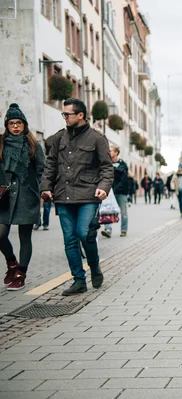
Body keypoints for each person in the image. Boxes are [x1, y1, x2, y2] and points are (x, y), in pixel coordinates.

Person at [40, 98, 113, 296]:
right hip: (63, 196)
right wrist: (45, 187)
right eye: (63, 114)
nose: (64, 117)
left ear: (80, 115)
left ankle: (94, 266)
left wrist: (104, 187)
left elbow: (107, 167)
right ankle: (79, 280)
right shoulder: (58, 138)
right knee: (70, 240)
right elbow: (50, 165)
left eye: (67, 114)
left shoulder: (97, 138)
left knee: (84, 233)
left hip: (88, 195)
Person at [0, 104, 46, 291]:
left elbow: (42, 171)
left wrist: (43, 192)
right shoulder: (1, 144)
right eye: (12, 123)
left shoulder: (34, 146)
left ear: (24, 125)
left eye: (19, 123)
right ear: (7, 125)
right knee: (1, 234)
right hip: (5, 197)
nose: (16, 126)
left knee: (25, 236)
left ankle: (21, 273)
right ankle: (12, 263)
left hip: (27, 197)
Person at [101, 146, 128, 238]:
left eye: (111, 151)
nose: (109, 152)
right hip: (109, 191)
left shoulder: (122, 164)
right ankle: (108, 230)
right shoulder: (107, 163)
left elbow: (123, 179)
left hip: (120, 192)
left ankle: (123, 230)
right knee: (108, 210)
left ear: (116, 153)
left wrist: (116, 188)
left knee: (123, 212)